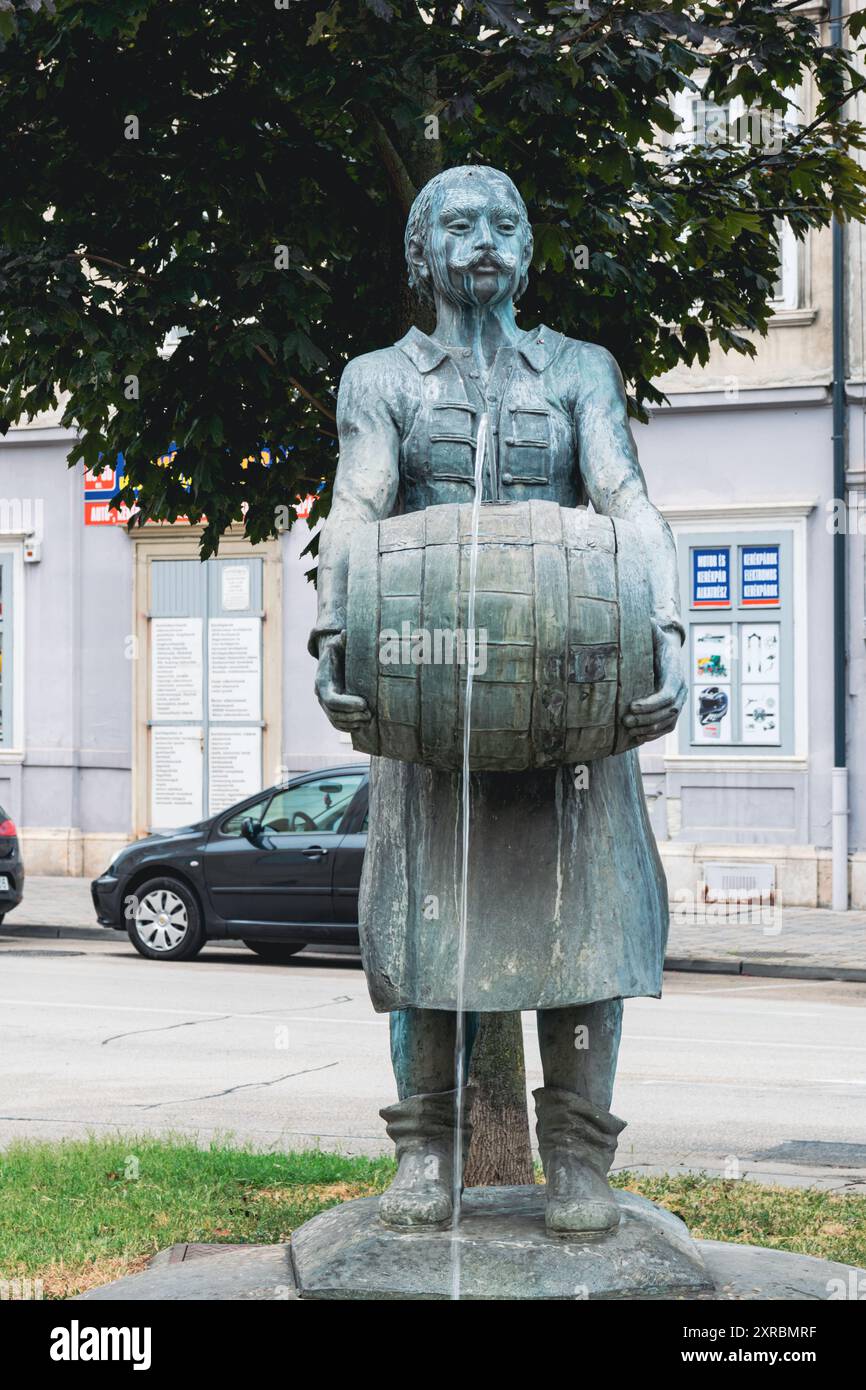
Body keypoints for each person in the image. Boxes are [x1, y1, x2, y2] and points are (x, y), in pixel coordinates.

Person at [310, 165, 686, 1235]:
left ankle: (577, 1157)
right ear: (421, 255)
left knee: (589, 935)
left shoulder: (578, 371)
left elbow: (623, 498)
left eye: (504, 224)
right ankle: (423, 1153)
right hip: (430, 709)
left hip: (570, 702)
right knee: (419, 946)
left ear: (526, 250)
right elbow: (356, 502)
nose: (484, 240)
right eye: (459, 225)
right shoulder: (380, 378)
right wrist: (336, 628)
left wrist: (660, 627)